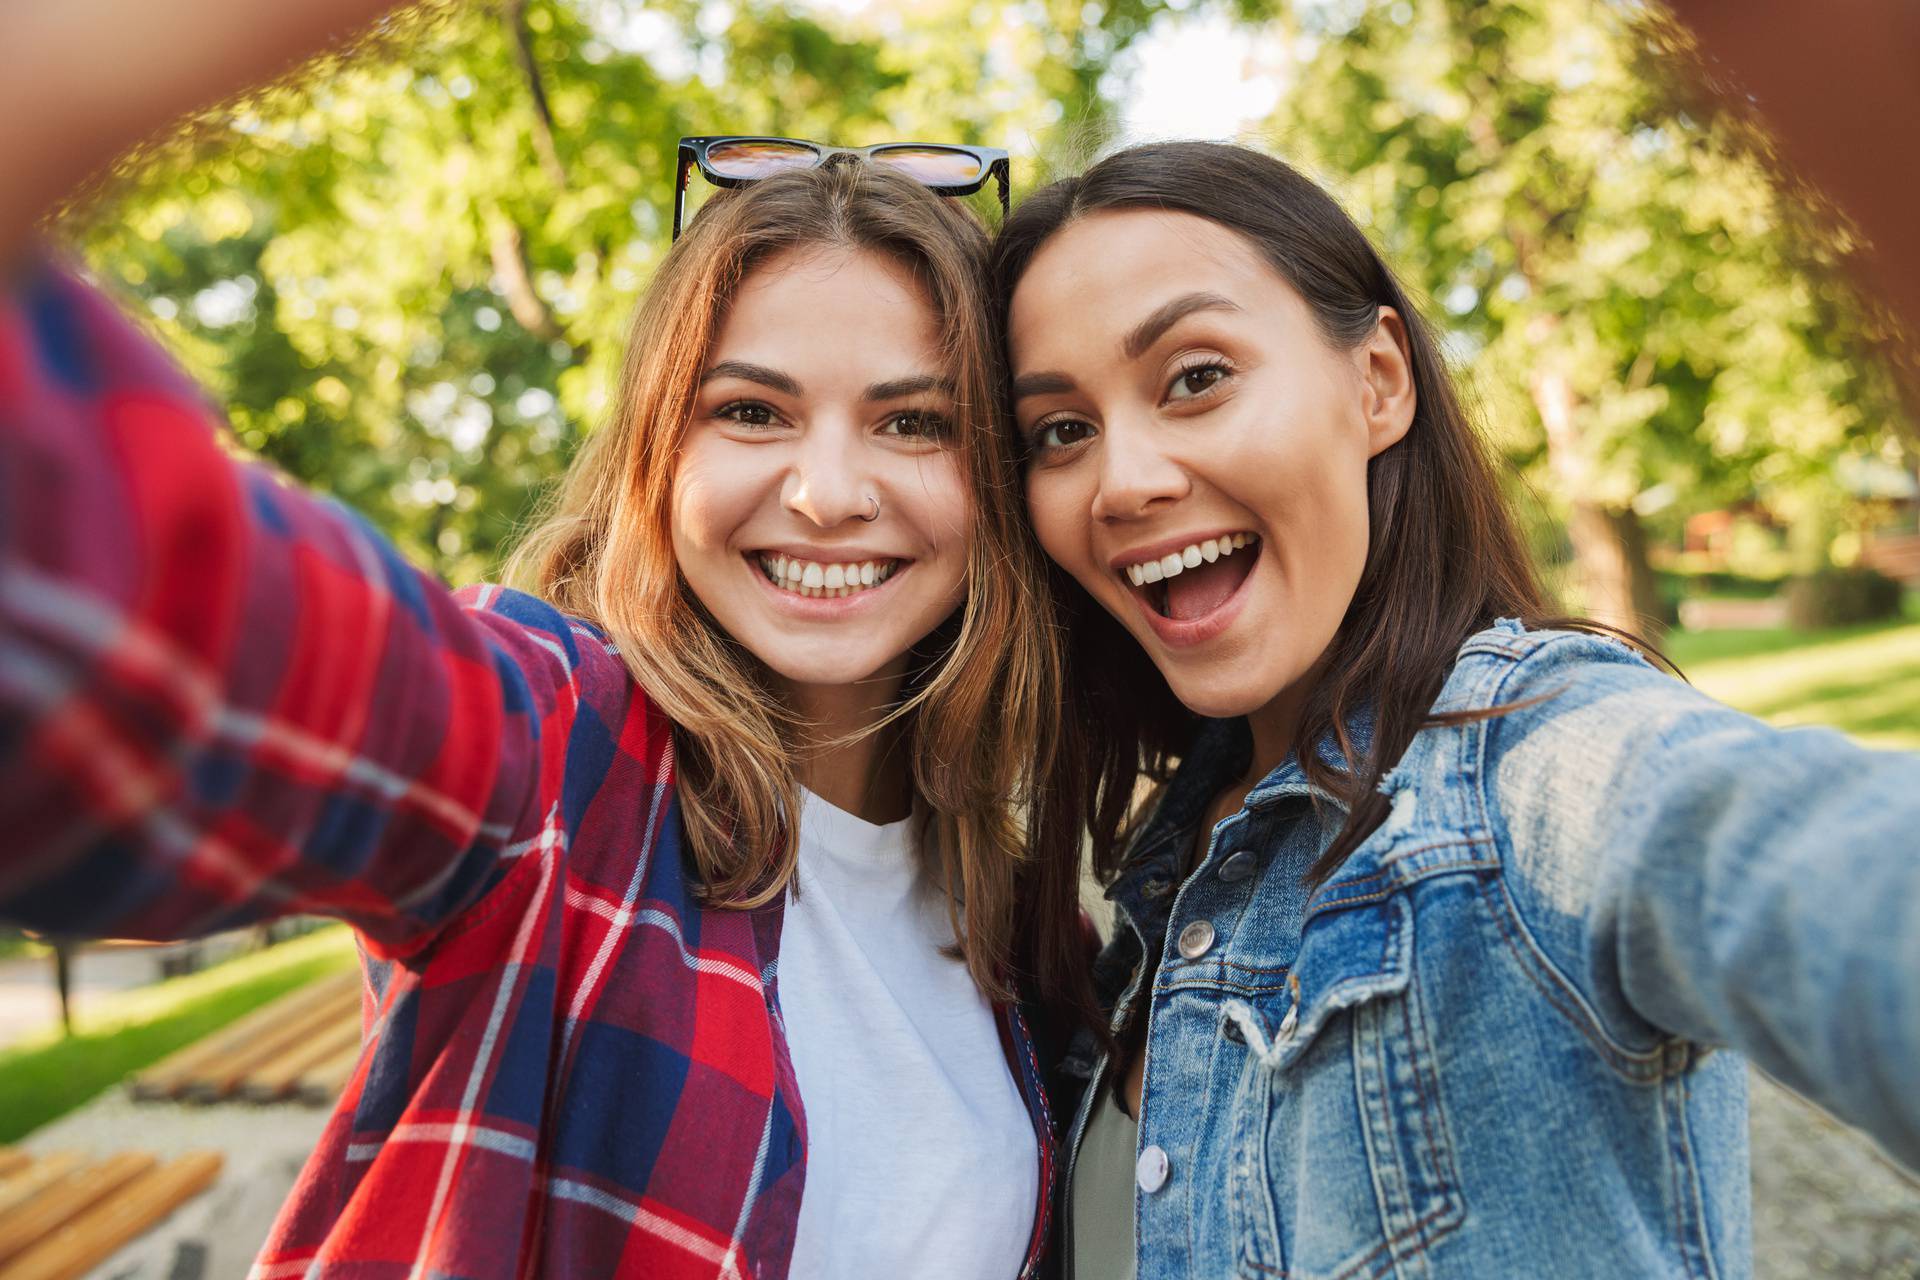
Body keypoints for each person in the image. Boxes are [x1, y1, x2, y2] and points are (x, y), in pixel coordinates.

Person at [0, 6, 1093, 1278]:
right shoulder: (555, 755)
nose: (827, 490)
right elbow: (144, 669)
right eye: (750, 410)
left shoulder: (1028, 925)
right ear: (656, 452)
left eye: (916, 423)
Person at [992, 140, 1920, 1280]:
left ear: (1378, 380)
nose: (1123, 479)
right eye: (1060, 430)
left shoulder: (1531, 760)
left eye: (1197, 377)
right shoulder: (1161, 873)